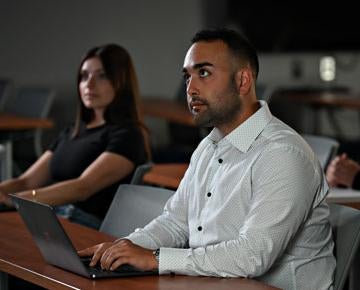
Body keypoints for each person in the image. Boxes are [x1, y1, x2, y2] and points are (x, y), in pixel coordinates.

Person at [78, 29, 335, 289]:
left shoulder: (284, 154)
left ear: (243, 81)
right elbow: (176, 223)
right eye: (187, 76)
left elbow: (252, 256)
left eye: (204, 73)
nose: (191, 88)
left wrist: (155, 259)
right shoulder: (208, 147)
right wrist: (123, 248)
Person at [0, 44, 150, 229]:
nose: (90, 84)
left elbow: (83, 188)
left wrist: (19, 200)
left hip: (85, 224)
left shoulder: (129, 134)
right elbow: (26, 181)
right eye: (84, 76)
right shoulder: (74, 130)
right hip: (56, 216)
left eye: (101, 76)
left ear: (121, 82)